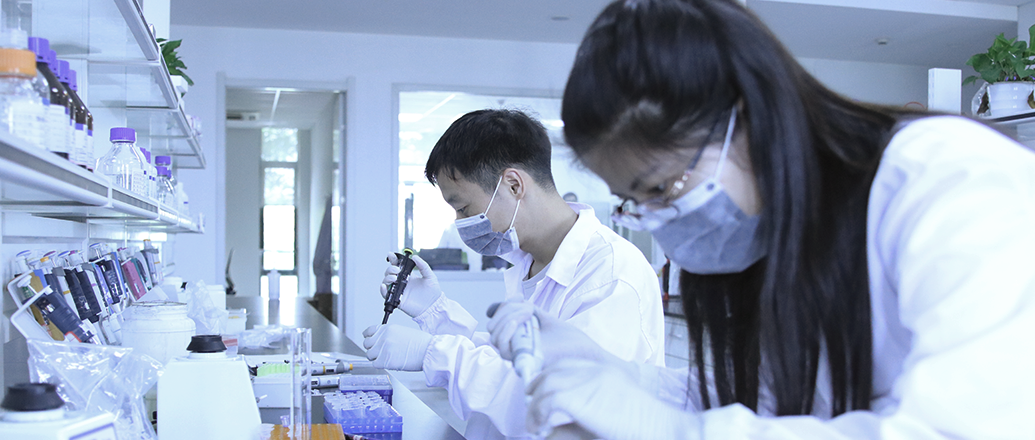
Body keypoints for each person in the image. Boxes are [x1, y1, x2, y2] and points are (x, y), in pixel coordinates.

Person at [487, 0, 1035, 438]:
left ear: (747, 119)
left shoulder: (948, 182)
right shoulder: (788, 237)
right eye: (636, 201)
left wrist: (675, 431)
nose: (661, 225)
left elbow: (966, 427)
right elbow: (773, 403)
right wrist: (618, 377)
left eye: (660, 188)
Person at [362, 109, 666, 439]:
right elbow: (510, 362)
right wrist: (435, 312)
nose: (460, 223)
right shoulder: (529, 262)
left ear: (513, 184)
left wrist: (432, 353)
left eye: (463, 208)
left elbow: (558, 403)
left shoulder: (611, 274)